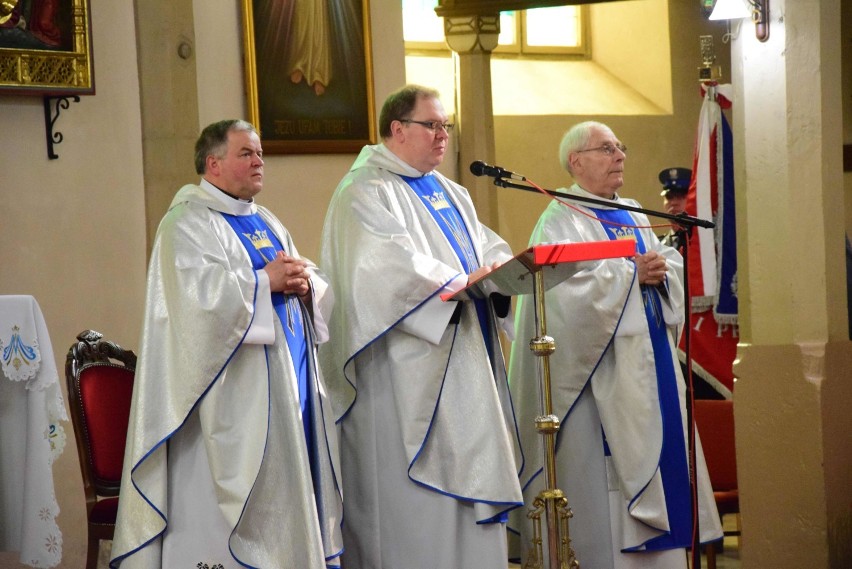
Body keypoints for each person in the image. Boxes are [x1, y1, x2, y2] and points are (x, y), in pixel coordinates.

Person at [109, 120, 343, 568]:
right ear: (213, 164)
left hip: (287, 390)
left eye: (259, 154)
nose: (258, 161)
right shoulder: (186, 223)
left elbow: (297, 272)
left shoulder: (265, 220)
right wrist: (265, 282)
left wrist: (307, 284)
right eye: (246, 154)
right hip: (224, 407)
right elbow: (197, 308)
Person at [318, 84, 523, 569]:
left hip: (467, 359)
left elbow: (484, 249)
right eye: (431, 125)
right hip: (404, 376)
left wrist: (504, 269)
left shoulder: (450, 191)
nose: (442, 136)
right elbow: (381, 270)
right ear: (397, 129)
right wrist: (457, 282)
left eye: (445, 126)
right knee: (418, 514)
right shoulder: (364, 191)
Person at [507, 121, 722, 568]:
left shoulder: (632, 211)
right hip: (600, 378)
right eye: (606, 149)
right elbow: (560, 297)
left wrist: (664, 270)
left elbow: (659, 266)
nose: (620, 156)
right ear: (576, 162)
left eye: (619, 147)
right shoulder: (560, 217)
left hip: (649, 363)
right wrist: (631, 276)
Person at [657, 166, 692, 250]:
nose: (673, 203)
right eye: (669, 197)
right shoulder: (658, 245)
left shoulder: (705, 242)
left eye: (680, 196)